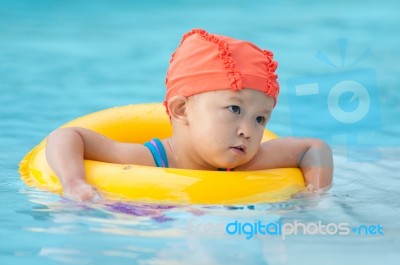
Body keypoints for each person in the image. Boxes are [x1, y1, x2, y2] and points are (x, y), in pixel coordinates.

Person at [45, 28, 333, 202]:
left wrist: (316, 198)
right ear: (182, 110)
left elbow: (313, 148)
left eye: (261, 119)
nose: (248, 130)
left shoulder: (247, 163)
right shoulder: (149, 161)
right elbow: (67, 136)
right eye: (234, 109)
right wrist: (74, 183)